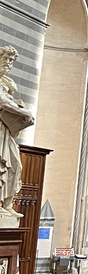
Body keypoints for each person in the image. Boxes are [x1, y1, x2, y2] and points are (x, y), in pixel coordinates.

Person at [0, 46, 32, 217]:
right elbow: (3, 103)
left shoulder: (7, 82)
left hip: (7, 129)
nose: (9, 63)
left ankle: (7, 204)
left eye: (12, 60)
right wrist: (24, 112)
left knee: (15, 165)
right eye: (6, 58)